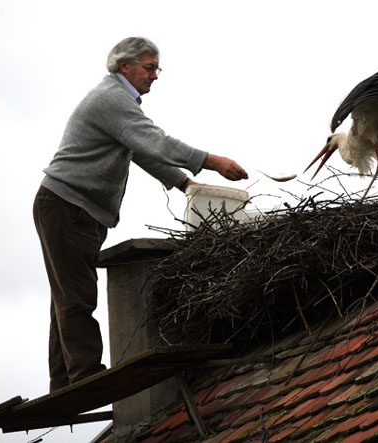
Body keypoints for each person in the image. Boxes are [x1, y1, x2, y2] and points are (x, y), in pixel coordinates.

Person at [33, 36, 248, 392]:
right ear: (125, 66)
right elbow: (157, 142)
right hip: (65, 205)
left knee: (68, 293)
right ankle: (84, 376)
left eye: (156, 69)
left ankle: (65, 380)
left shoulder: (119, 103)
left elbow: (144, 153)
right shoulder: (111, 99)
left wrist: (186, 185)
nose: (155, 76)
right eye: (149, 68)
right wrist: (212, 161)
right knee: (76, 294)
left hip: (78, 210)